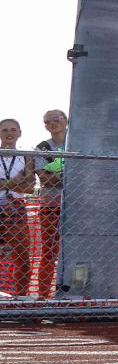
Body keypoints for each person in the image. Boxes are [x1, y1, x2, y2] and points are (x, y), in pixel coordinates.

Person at [32, 109, 67, 297]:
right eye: (47, 121)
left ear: (65, 120)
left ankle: (71, 294)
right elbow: (45, 179)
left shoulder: (78, 142)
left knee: (74, 250)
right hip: (51, 206)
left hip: (78, 207)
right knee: (49, 252)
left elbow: (87, 174)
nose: (51, 124)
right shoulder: (43, 147)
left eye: (55, 119)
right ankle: (43, 296)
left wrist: (58, 176)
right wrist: (70, 175)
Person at [0, 119, 33, 296]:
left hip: (16, 206)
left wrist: (4, 184)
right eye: (4, 130)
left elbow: (28, 187)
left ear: (20, 133)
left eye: (13, 129)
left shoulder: (26, 155)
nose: (8, 133)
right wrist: (16, 182)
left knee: (22, 257)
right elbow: (22, 184)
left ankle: (20, 296)